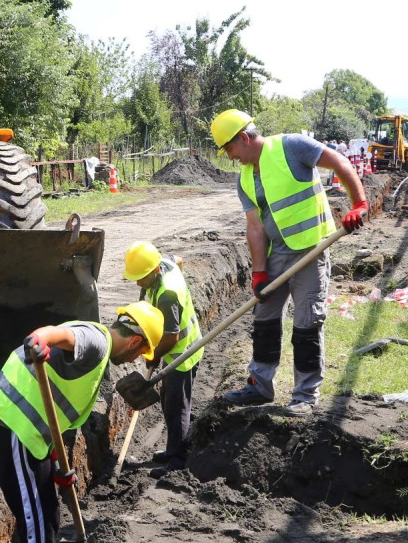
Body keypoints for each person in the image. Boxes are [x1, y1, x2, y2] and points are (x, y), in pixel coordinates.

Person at [0, 302, 163, 543]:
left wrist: (56, 465)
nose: (133, 359)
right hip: (14, 427)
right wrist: (38, 342)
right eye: (138, 353)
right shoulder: (96, 341)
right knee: (35, 519)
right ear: (135, 341)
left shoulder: (101, 354)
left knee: (49, 513)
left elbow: (59, 413)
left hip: (36, 438)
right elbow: (56, 334)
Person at [209, 109, 368, 417]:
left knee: (307, 324)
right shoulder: (244, 178)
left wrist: (359, 204)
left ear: (243, 138)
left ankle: (305, 394)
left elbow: (340, 163)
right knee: (264, 319)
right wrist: (258, 274)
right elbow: (255, 227)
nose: (230, 157)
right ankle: (260, 386)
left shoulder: (292, 146)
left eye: (229, 148)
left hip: (311, 251)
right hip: (276, 256)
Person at [122, 241, 202, 473]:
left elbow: (172, 337)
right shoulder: (164, 261)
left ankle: (178, 461)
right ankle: (172, 449)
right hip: (179, 350)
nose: (138, 282)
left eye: (142, 277)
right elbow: (178, 260)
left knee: (177, 408)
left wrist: (154, 356)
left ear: (155, 270)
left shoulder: (168, 295)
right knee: (169, 401)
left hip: (182, 354)